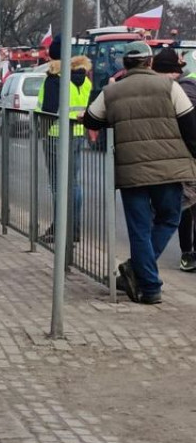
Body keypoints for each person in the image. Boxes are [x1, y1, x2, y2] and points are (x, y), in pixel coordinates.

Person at [83, 41, 196, 305]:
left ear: (125, 64)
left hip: (131, 172)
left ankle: (146, 282)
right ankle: (143, 276)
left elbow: (91, 119)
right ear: (149, 62)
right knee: (169, 218)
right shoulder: (170, 87)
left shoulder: (112, 92)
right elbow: (190, 127)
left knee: (139, 228)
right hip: (169, 170)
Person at [35, 35, 92, 243]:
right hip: (77, 134)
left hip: (56, 134)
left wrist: (40, 130)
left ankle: (60, 229)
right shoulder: (84, 78)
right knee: (73, 184)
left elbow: (48, 110)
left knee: (59, 185)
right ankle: (73, 228)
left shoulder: (55, 78)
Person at [175, 49, 196, 273]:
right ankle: (188, 253)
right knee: (188, 205)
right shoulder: (189, 87)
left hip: (187, 152)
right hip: (189, 152)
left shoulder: (185, 86)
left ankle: (188, 253)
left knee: (187, 206)